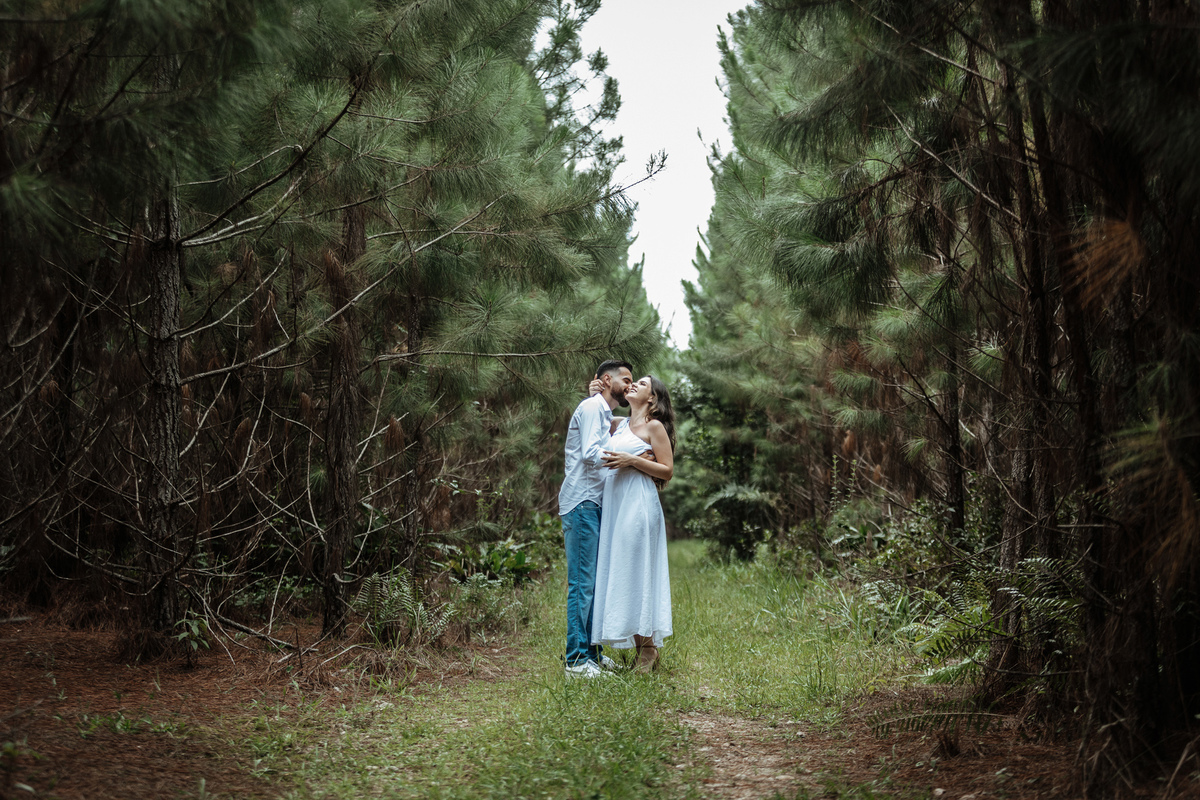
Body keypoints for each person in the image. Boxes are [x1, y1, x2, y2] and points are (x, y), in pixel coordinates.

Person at [591, 375, 676, 673]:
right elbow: (596, 416)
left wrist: (633, 460)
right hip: (616, 504)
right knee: (623, 570)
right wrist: (595, 391)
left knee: (637, 570)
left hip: (638, 504)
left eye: (642, 383)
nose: (634, 385)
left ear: (652, 398)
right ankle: (641, 646)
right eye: (634, 381)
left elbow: (667, 470)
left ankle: (648, 649)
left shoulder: (654, 427)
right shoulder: (619, 424)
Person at [558, 360, 633, 679]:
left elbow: (626, 424)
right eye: (625, 379)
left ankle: (591, 654)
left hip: (595, 504)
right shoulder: (591, 408)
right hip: (582, 502)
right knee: (582, 584)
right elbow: (590, 453)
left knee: (594, 584)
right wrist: (628, 460)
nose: (629, 385)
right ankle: (575, 661)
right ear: (605, 380)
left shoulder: (603, 413)